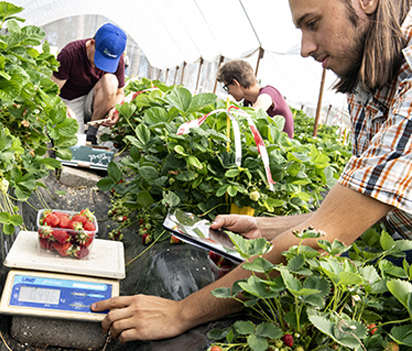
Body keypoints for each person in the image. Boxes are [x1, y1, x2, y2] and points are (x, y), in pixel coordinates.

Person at [91, 0, 412, 343]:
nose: (305, 48)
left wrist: (181, 312)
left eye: (313, 23)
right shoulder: (368, 78)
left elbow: (321, 239)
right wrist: (264, 227)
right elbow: (363, 211)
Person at [51, 23, 127, 145]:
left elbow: (120, 93)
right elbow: (50, 93)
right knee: (71, 143)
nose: (101, 65)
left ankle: (91, 133)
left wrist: (115, 108)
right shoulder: (71, 53)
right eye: (100, 57)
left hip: (93, 102)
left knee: (111, 81)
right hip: (69, 101)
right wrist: (63, 108)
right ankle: (76, 132)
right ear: (92, 43)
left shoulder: (117, 59)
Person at [217, 59, 294, 138]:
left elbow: (260, 106)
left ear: (236, 83)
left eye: (227, 87)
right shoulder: (248, 102)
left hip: (280, 149)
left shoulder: (269, 92)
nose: (228, 92)